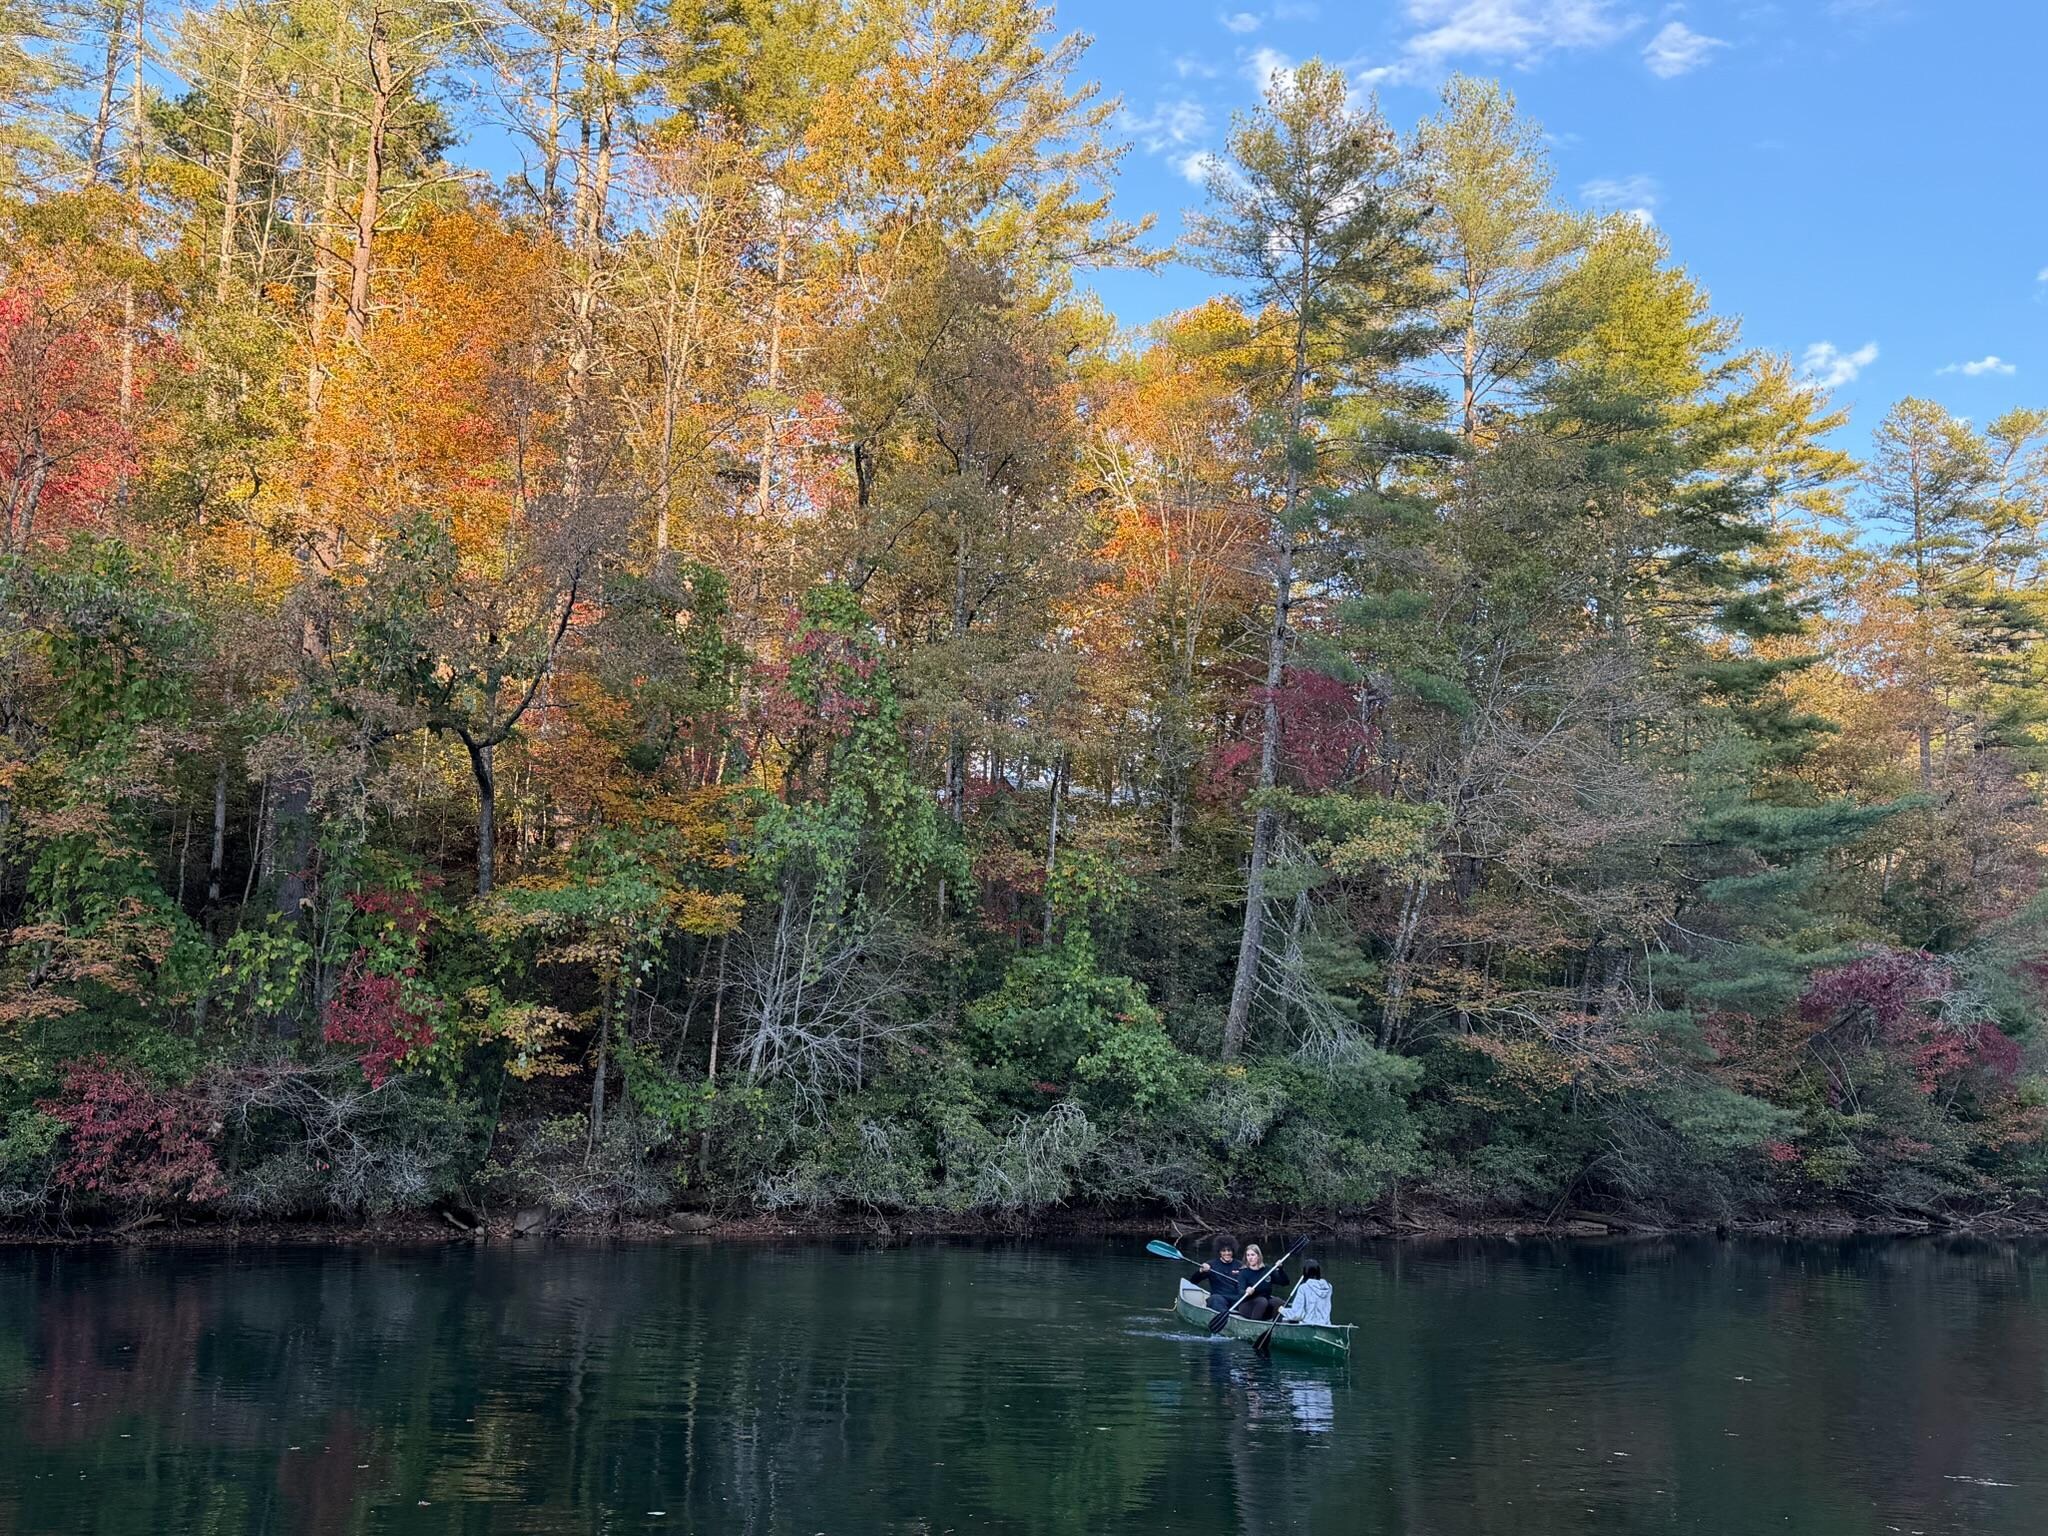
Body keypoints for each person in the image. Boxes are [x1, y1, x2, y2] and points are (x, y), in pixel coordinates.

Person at [1235, 1242, 1290, 1321]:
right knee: (1262, 1301)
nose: (1250, 1258)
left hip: (1265, 1304)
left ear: (1258, 1256)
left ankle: (1277, 1325)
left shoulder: (1267, 1270)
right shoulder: (1243, 1272)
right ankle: (1254, 1326)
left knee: (1279, 1302)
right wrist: (1246, 1291)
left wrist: (1281, 1269)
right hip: (1247, 1305)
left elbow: (1285, 1282)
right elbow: (1240, 1291)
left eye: (1253, 1255)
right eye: (1248, 1255)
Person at [1193, 1234, 1244, 1312]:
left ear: (1233, 1251)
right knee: (1215, 1299)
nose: (1227, 1253)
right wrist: (1201, 1271)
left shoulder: (1240, 1265)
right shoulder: (1211, 1264)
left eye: (1229, 1250)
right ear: (1219, 1252)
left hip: (1236, 1299)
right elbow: (1193, 1281)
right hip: (1219, 1298)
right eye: (1224, 1251)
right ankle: (1223, 1315)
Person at [1279, 1260, 1332, 1327]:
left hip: (1308, 1325)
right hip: (1326, 1325)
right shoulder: (1329, 1287)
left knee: (1283, 1318)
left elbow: (1297, 1314)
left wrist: (1282, 1310)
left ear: (1305, 1273)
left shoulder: (1303, 1288)